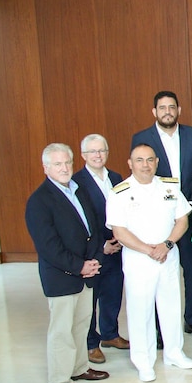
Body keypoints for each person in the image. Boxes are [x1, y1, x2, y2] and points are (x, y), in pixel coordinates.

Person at [106, 144, 192, 382]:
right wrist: (149, 249)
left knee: (171, 306)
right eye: (139, 160)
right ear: (130, 163)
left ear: (156, 162)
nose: (145, 165)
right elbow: (119, 231)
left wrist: (165, 245)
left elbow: (182, 221)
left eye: (149, 160)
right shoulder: (119, 192)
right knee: (141, 311)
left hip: (167, 255)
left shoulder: (169, 187)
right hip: (139, 259)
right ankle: (143, 361)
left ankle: (174, 353)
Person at [26, 143, 108, 383]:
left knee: (81, 325)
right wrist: (79, 266)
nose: (64, 168)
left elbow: (93, 228)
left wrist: (93, 260)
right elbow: (48, 247)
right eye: (58, 164)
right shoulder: (39, 201)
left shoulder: (78, 190)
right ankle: (60, 380)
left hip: (86, 273)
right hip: (62, 277)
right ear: (46, 168)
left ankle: (79, 367)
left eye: (67, 163)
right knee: (61, 330)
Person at [131, 91, 192, 338]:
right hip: (158, 217)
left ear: (179, 110)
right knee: (159, 270)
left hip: (189, 214)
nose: (167, 112)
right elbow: (141, 177)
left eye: (171, 107)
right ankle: (159, 329)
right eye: (162, 108)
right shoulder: (142, 138)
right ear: (154, 112)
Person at [72, 134, 129, 364]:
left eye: (101, 150)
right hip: (93, 250)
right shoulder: (77, 181)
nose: (97, 155)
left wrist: (120, 239)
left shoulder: (115, 177)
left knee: (113, 293)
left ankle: (110, 334)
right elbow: (83, 219)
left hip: (117, 246)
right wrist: (101, 246)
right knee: (91, 299)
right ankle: (90, 344)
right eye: (92, 151)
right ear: (84, 155)